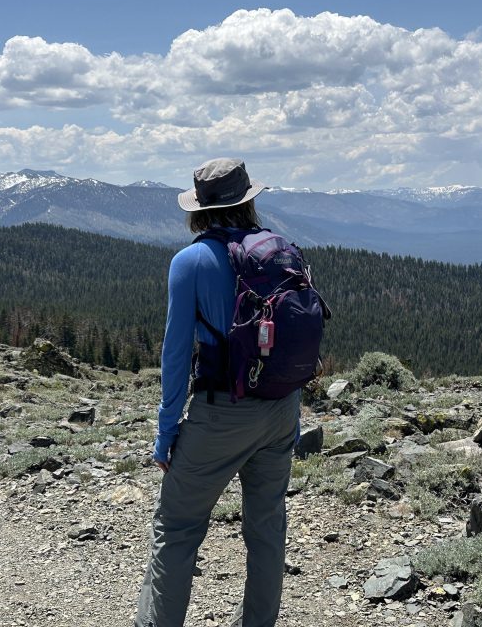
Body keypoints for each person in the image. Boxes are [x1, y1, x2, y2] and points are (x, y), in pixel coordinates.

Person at [135, 157, 302, 627]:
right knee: (267, 531)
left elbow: (175, 355)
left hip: (220, 413)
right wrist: (293, 414)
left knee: (178, 528)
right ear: (248, 200)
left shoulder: (191, 261)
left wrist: (166, 432)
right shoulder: (282, 251)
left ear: (200, 210)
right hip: (281, 407)